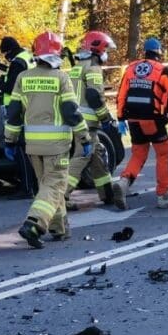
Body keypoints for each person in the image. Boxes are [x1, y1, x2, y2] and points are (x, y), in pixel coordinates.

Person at [4, 31, 91, 249]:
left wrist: (10, 140)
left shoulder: (23, 78)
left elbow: (13, 112)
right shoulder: (61, 78)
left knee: (49, 187)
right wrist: (84, 136)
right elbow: (71, 111)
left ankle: (59, 228)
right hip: (57, 146)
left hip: (33, 145)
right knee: (54, 187)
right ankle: (34, 224)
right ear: (57, 54)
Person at [112, 37, 168, 210]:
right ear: (159, 52)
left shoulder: (130, 68)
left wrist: (121, 118)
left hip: (133, 119)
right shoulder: (161, 70)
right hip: (152, 119)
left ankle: (123, 182)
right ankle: (163, 195)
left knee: (138, 154)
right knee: (163, 154)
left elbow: (121, 95)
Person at [65, 31, 118, 210]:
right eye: (106, 50)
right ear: (98, 49)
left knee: (96, 157)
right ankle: (60, 196)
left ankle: (107, 192)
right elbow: (94, 95)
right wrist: (106, 118)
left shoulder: (77, 67)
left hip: (76, 119)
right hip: (87, 122)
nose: (107, 54)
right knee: (83, 155)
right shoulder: (94, 68)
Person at [0, 36, 34, 106]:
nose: (5, 56)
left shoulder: (18, 63)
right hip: (28, 101)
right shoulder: (27, 57)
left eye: (5, 53)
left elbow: (11, 88)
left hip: (15, 104)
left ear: (9, 51)